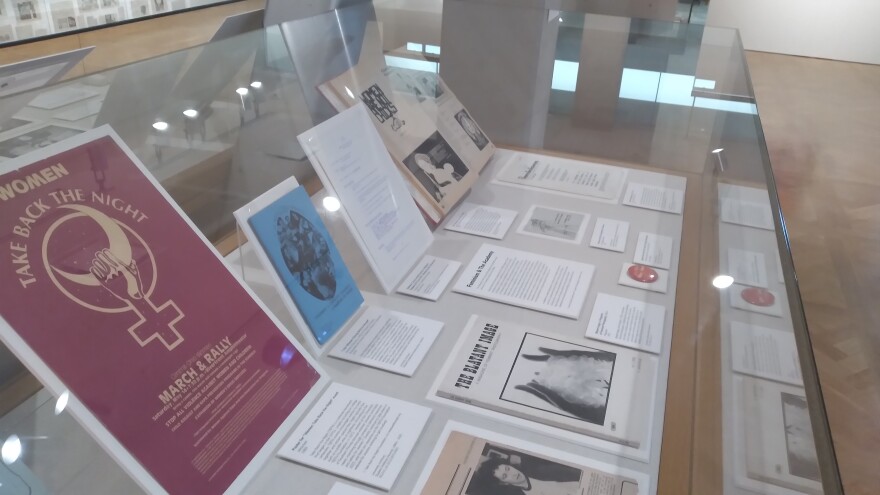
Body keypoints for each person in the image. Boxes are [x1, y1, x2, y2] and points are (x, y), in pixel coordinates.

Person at [468, 454, 580, 495]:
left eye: (507, 469)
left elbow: (575, 472)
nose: (512, 474)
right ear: (504, 483)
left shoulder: (538, 468)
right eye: (505, 476)